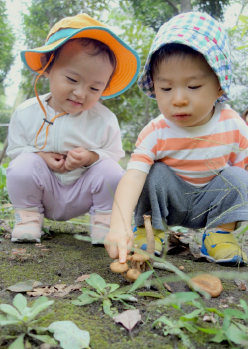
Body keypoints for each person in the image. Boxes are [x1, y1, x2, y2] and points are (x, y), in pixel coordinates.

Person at [105, 11, 248, 266]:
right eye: (166, 88)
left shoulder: (233, 125)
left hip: (211, 202)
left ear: (219, 85)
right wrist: (118, 225)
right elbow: (133, 177)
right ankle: (151, 233)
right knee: (152, 172)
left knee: (240, 177)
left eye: (193, 87)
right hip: (169, 202)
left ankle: (220, 235)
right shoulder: (156, 131)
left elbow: (242, 175)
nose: (178, 98)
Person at [6, 13, 140, 244]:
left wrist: (90, 156)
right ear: (48, 68)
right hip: (41, 189)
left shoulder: (103, 119)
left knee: (113, 173)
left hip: (82, 190)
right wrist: (40, 156)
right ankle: (28, 219)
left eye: (94, 88)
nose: (81, 93)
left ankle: (104, 223)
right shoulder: (27, 112)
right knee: (20, 167)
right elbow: (16, 150)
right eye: (72, 79)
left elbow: (114, 154)